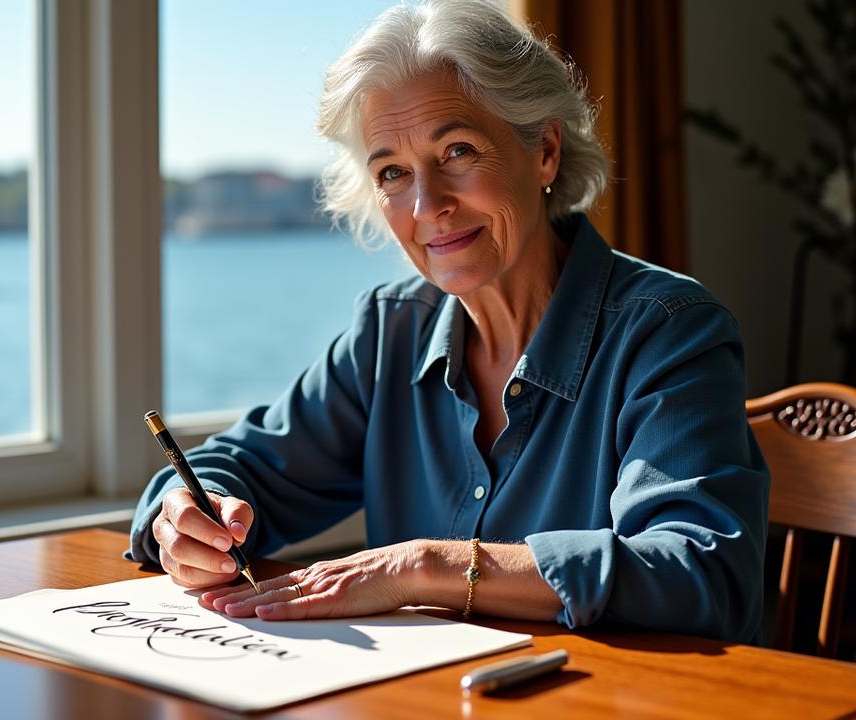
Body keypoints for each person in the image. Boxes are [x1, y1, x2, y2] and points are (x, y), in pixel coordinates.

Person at [127, 0, 769, 643]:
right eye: (393, 173)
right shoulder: (390, 332)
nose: (427, 204)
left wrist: (427, 565)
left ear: (544, 152)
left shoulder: (670, 330)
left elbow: (699, 574)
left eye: (457, 150)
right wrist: (186, 516)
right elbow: (239, 468)